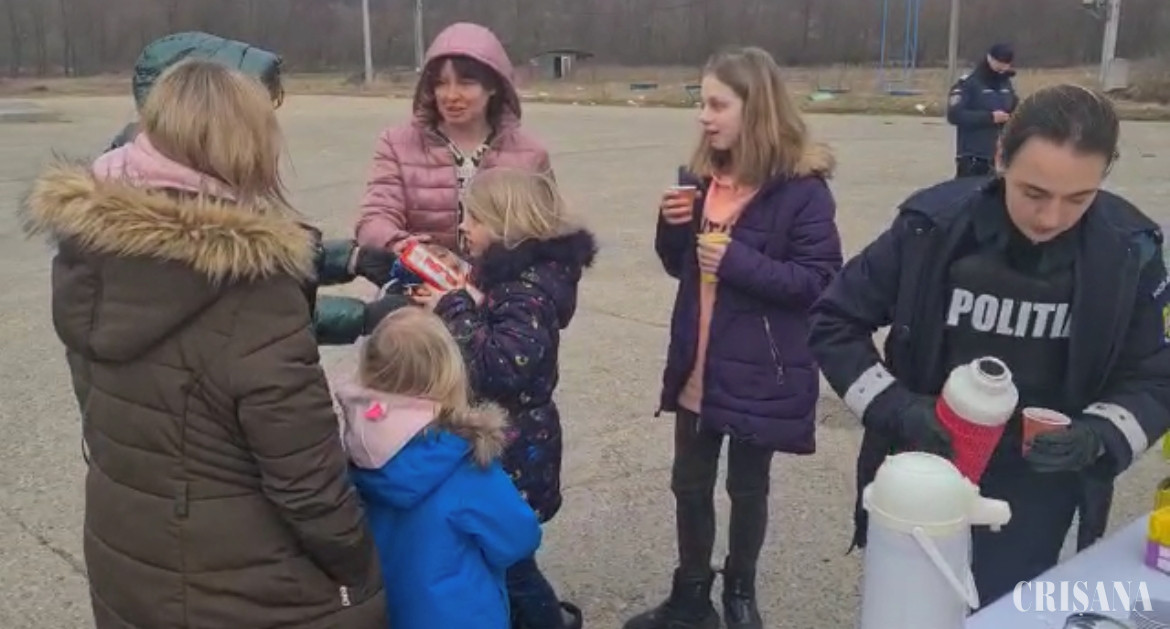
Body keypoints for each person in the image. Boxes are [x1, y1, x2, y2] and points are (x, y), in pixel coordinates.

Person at [20, 60, 385, 628]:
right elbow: (309, 488)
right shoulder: (252, 291)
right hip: (240, 585)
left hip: (129, 552)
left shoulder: (91, 255)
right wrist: (359, 565)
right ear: (245, 149)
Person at [808, 84, 1170, 606]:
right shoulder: (932, 228)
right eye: (1034, 193)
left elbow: (1155, 374)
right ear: (1001, 156)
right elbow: (835, 320)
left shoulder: (1130, 251)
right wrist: (896, 408)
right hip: (927, 468)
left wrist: (1099, 436)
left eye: (1078, 199)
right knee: (911, 608)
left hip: (1040, 490)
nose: (1050, 218)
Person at [625, 47, 843, 629]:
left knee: (748, 488)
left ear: (757, 108)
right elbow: (680, 267)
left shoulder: (801, 191)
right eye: (702, 103)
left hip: (759, 371)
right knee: (689, 485)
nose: (704, 116)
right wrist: (672, 229)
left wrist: (738, 261)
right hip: (696, 363)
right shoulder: (700, 179)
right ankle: (691, 596)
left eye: (718, 104)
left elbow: (822, 282)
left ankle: (740, 595)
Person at [106, 31, 405, 346]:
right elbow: (250, 320)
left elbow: (248, 251)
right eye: (249, 122)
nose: (263, 140)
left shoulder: (159, 183)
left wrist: (348, 259)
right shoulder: (151, 217)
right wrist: (363, 316)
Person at [412, 168, 594, 629]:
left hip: (516, 446)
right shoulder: (510, 278)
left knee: (511, 563)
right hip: (511, 439)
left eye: (473, 219)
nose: (463, 227)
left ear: (505, 225)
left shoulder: (525, 292)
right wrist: (458, 289)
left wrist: (454, 306)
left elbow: (501, 366)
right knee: (498, 553)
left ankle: (546, 621)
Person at [337, 307, 542, 629]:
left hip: (389, 613)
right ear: (449, 373)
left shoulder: (356, 453)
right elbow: (518, 538)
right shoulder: (462, 465)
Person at [355, 22, 553, 254]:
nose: (451, 95)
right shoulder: (396, 144)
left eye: (466, 83)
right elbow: (375, 218)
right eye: (441, 83)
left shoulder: (531, 154)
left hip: (502, 277)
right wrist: (405, 248)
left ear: (493, 86)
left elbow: (548, 236)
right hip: (417, 275)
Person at [947, 43, 1019, 178]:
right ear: (989, 59)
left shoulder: (1006, 83)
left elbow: (1014, 107)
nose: (1002, 67)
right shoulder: (968, 83)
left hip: (1000, 156)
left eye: (1006, 64)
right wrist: (990, 118)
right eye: (999, 62)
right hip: (974, 157)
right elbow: (954, 115)